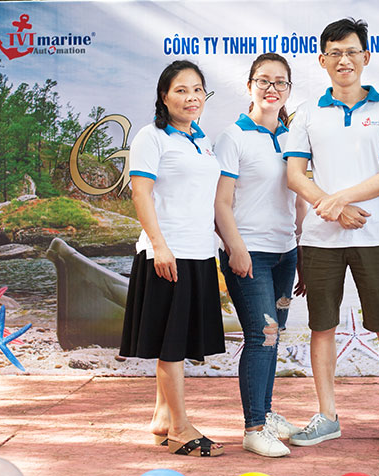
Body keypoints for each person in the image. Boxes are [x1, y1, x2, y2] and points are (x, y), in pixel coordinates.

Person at [284, 17, 379, 450]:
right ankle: (327, 416)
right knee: (322, 327)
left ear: (366, 57)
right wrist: (334, 210)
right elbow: (295, 175)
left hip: (376, 236)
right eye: (335, 53)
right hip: (321, 239)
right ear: (322, 60)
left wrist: (339, 200)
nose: (344, 60)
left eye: (352, 51)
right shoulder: (306, 113)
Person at [120, 60, 225, 458]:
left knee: (178, 341)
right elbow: (141, 194)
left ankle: (162, 419)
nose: (191, 97)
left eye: (197, 89)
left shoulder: (202, 139)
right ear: (164, 96)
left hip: (199, 252)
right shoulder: (151, 136)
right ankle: (180, 428)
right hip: (167, 253)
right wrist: (159, 245)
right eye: (181, 90)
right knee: (172, 345)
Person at [214, 53, 307, 458]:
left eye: (280, 82)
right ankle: (253, 428)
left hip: (286, 253)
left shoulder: (292, 138)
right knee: (262, 335)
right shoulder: (233, 136)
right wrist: (236, 247)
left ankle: (265, 415)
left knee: (274, 335)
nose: (272, 89)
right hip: (250, 254)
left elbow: (299, 197)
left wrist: (302, 250)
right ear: (249, 86)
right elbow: (221, 203)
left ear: (288, 89)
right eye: (264, 81)